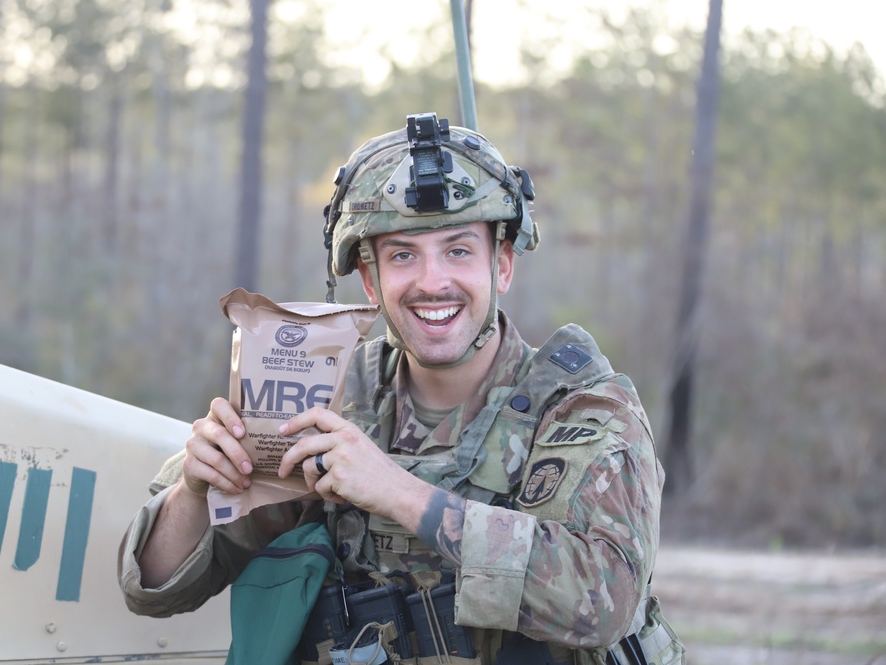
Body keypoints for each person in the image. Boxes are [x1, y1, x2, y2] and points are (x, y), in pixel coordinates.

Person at [118, 113, 684, 664]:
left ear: (501, 266)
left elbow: (602, 601)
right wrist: (193, 492)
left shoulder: (583, 409)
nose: (432, 282)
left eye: (459, 250)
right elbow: (158, 588)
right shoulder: (324, 391)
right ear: (371, 280)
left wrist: (397, 492)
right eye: (402, 255)